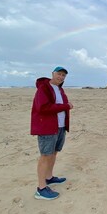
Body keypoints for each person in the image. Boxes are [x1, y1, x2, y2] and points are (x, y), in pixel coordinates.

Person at [30, 66, 74, 200]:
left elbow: (60, 106)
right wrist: (66, 106)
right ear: (52, 74)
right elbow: (43, 108)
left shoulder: (60, 89)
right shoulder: (44, 88)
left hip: (59, 127)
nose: (61, 77)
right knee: (45, 155)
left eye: (63, 76)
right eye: (59, 74)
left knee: (54, 152)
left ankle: (49, 178)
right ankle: (41, 189)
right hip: (47, 127)